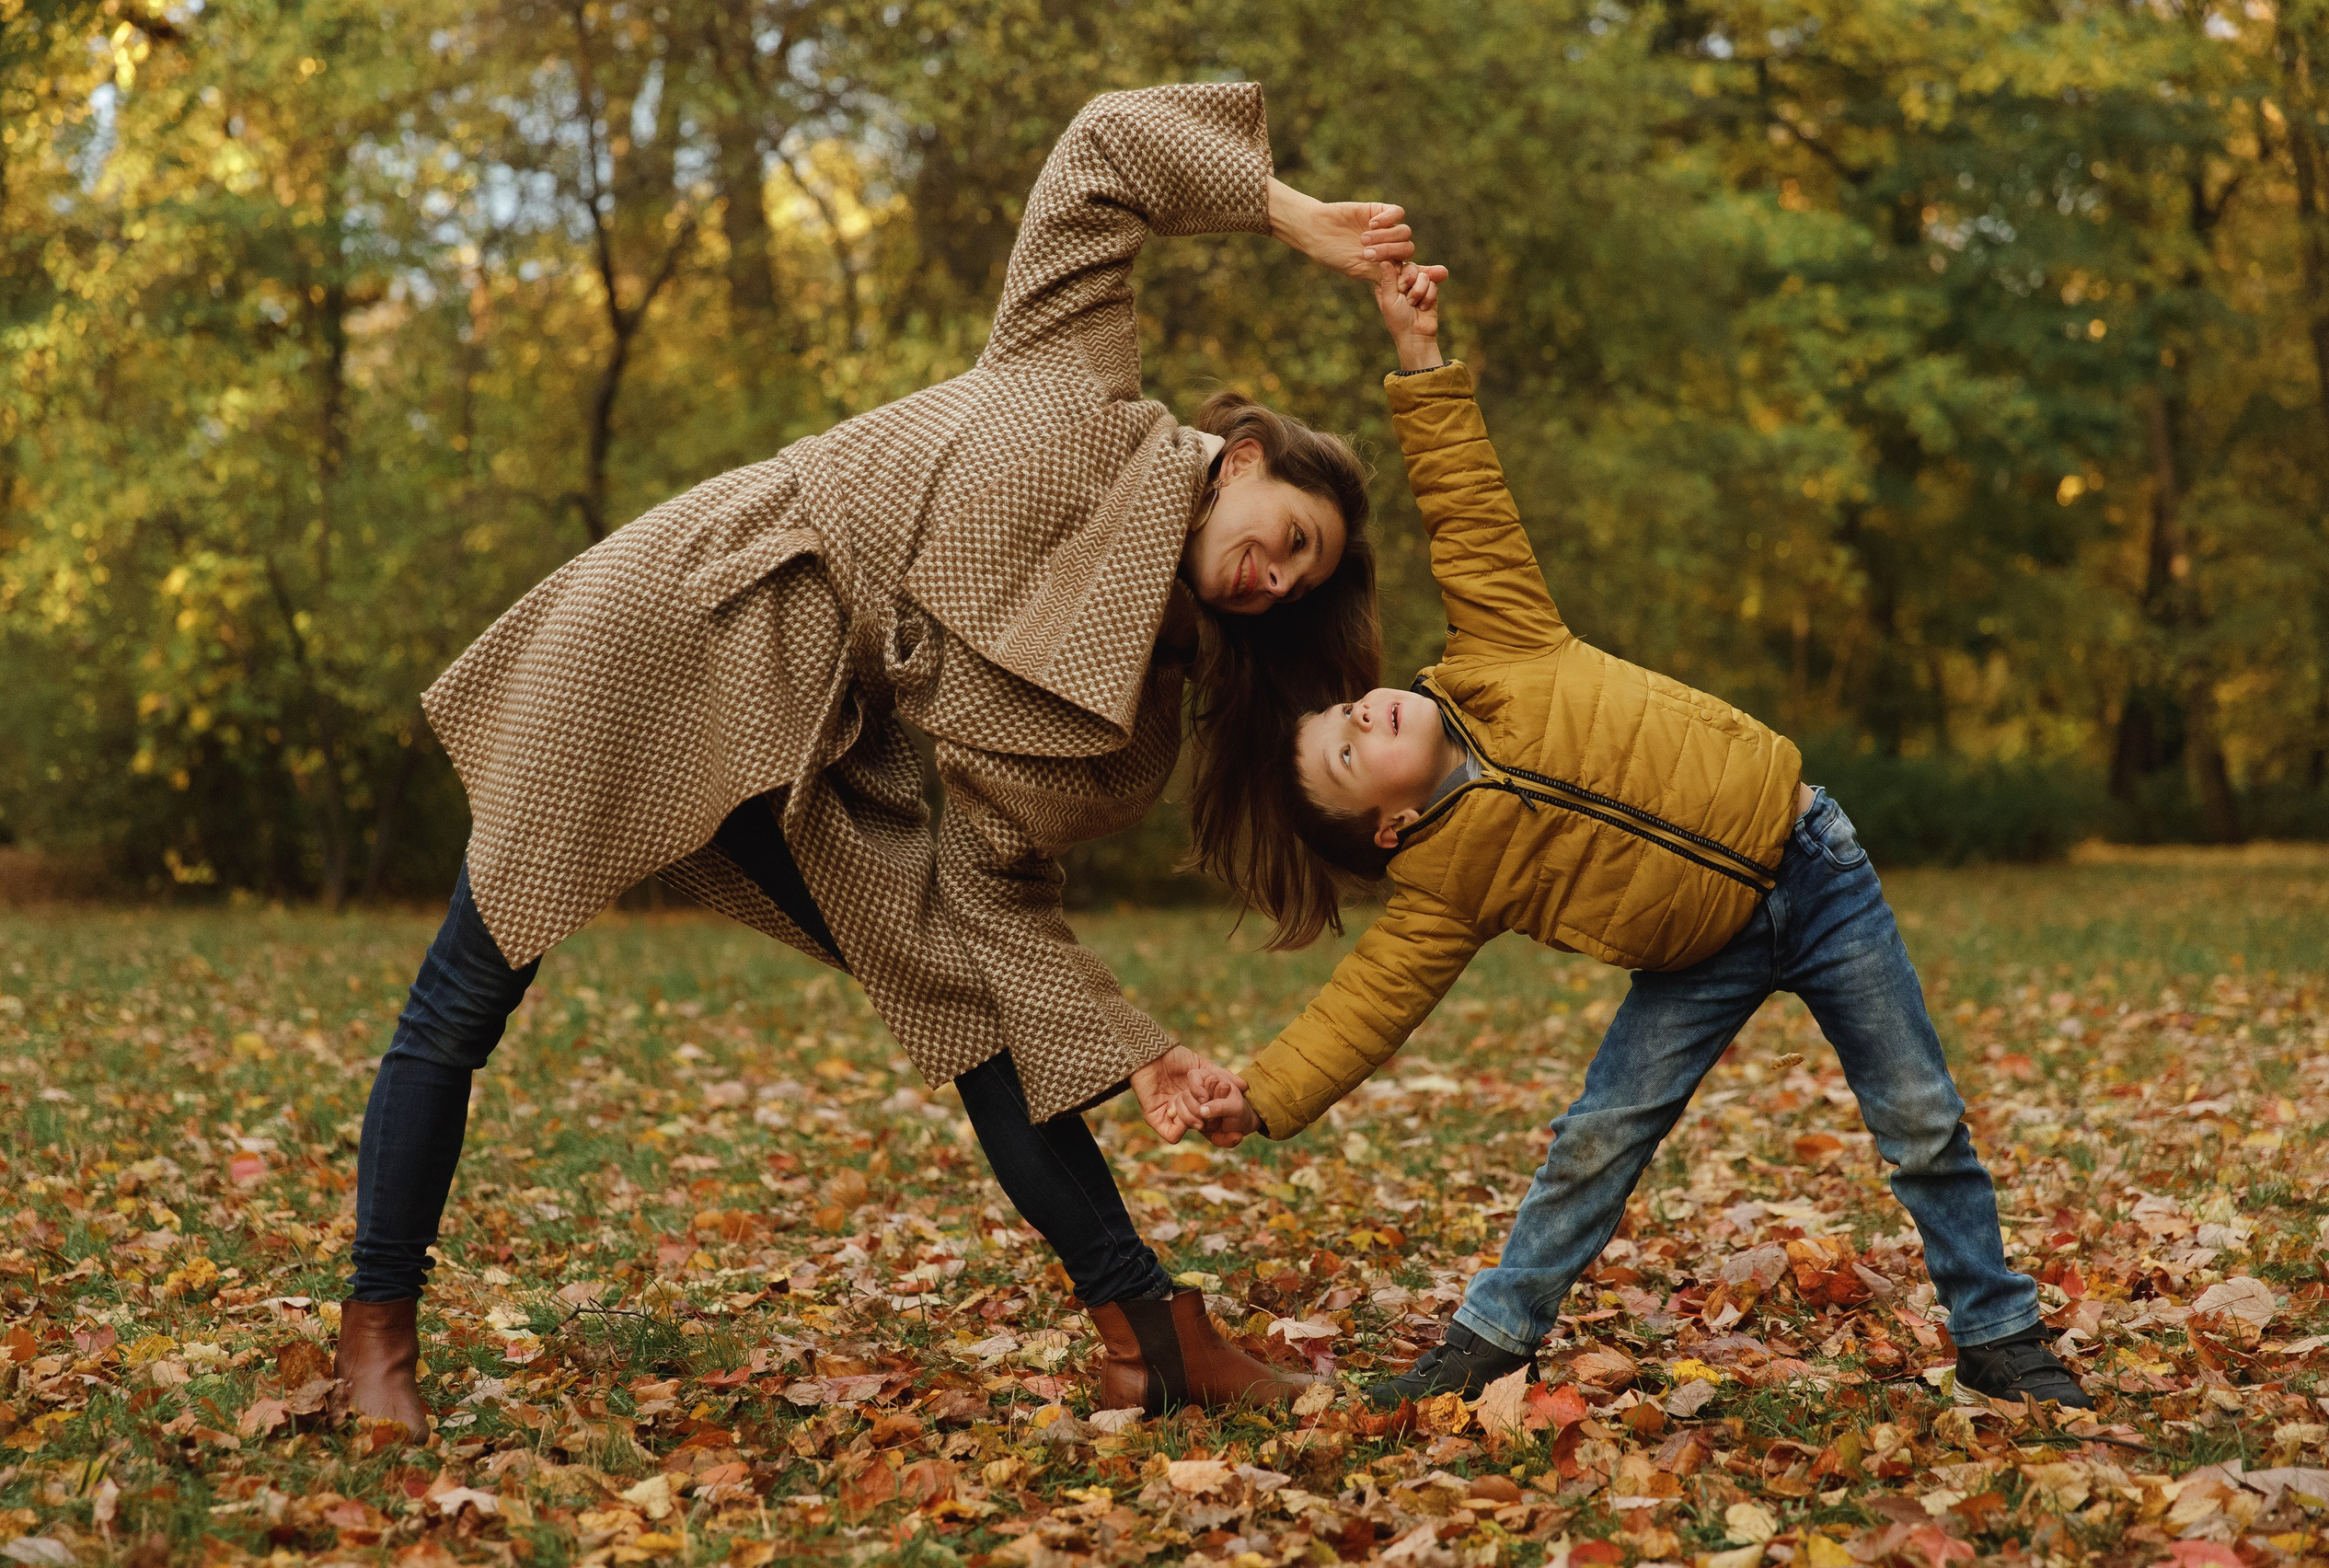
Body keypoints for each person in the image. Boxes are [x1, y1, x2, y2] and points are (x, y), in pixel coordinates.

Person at [339, 81, 1447, 1437]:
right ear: (1245, 459)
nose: (1274, 576)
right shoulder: (1074, 375)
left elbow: (993, 898)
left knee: (972, 1004)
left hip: (815, 741)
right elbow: (1105, 148)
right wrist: (1292, 217)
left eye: (1299, 580)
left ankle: (1148, 1333)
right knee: (468, 984)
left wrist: (1145, 1055)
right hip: (679, 620)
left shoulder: (1127, 724)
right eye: (1289, 535)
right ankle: (374, 1339)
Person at [1156, 267, 2093, 1412]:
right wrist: (1259, 1096)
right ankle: (1491, 1340)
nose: (1365, 717)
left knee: (1920, 1119)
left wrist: (1417, 350)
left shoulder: (1499, 642)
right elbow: (1365, 1007)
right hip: (1697, 957)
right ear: (1388, 827)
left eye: (1350, 709)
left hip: (1819, 870)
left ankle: (1997, 1332)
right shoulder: (1445, 885)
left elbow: (1463, 494)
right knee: (1595, 1142)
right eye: (1350, 754)